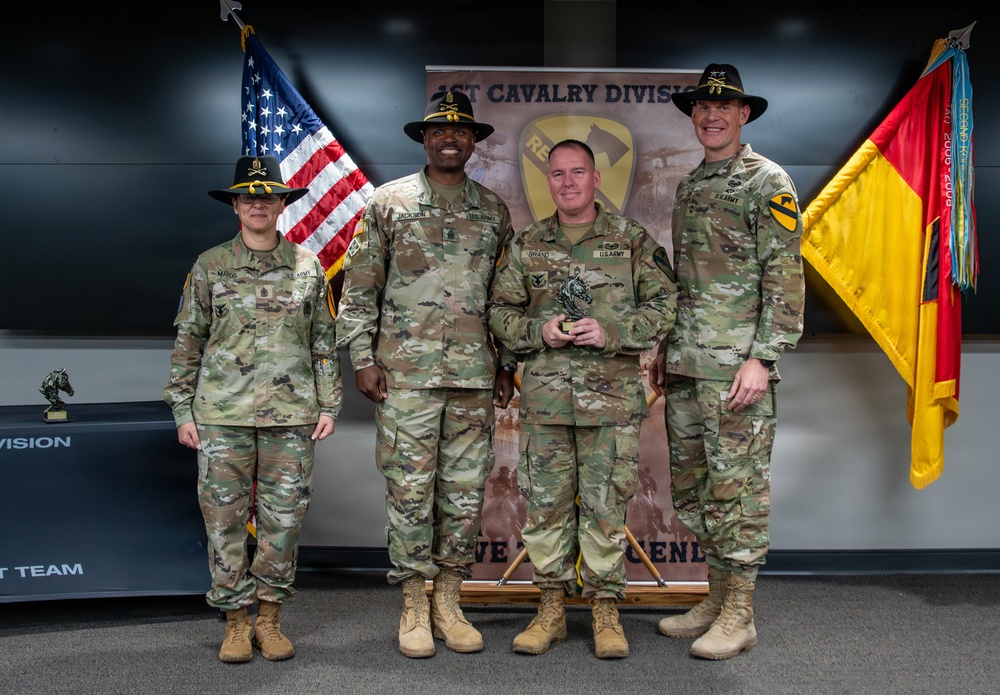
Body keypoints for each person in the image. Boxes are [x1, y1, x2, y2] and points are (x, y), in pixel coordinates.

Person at [337, 90, 516, 658]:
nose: (449, 138)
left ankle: (449, 599)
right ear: (423, 137)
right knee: (410, 493)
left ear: (473, 142)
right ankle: (415, 601)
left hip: (471, 378)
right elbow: (358, 288)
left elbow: (507, 298)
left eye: (461, 131)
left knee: (463, 495)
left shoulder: (493, 210)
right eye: (440, 130)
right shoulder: (388, 204)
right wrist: (361, 359)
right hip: (404, 377)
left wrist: (507, 365)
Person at [488, 139, 676, 659]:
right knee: (545, 507)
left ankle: (604, 610)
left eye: (578, 172)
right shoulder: (527, 246)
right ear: (547, 182)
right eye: (558, 174)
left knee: (605, 506)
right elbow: (499, 314)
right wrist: (539, 330)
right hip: (547, 404)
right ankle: (550, 609)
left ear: (596, 179)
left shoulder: (631, 240)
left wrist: (613, 330)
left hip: (611, 405)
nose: (567, 183)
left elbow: (665, 306)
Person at [648, 63, 805, 660]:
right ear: (694, 116)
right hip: (689, 363)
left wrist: (763, 358)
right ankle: (715, 598)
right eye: (702, 107)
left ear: (744, 115)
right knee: (694, 492)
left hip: (737, 370)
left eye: (724, 107)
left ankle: (740, 614)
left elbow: (784, 277)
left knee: (737, 493)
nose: (711, 115)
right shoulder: (691, 184)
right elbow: (686, 281)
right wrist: (666, 347)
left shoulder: (768, 181)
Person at [164, 155, 341, 663]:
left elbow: (323, 343)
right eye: (248, 197)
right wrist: (182, 409)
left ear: (282, 204)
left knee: (283, 521)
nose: (258, 204)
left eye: (268, 196)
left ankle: (269, 618)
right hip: (221, 416)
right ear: (236, 206)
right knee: (223, 521)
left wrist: (330, 403)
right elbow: (188, 341)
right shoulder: (210, 265)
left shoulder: (308, 267)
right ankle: (236, 621)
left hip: (292, 416)